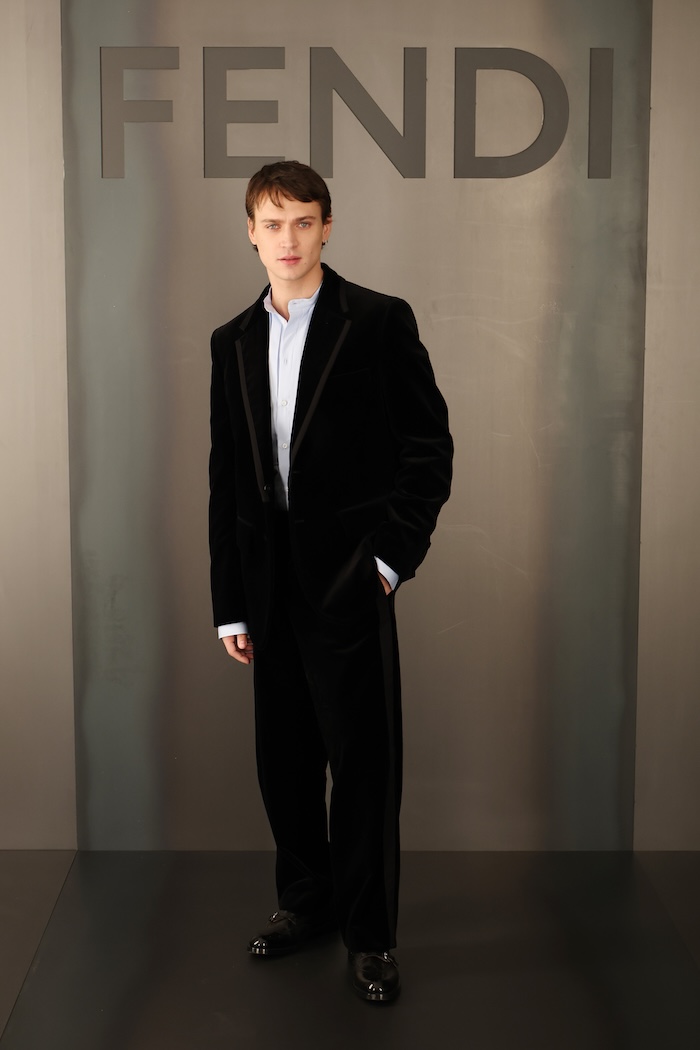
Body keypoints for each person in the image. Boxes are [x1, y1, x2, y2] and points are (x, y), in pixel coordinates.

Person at [209, 161, 452, 1002]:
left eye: (303, 222)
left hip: (350, 577)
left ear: (327, 228)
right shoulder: (232, 340)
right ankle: (304, 904)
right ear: (251, 232)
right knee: (283, 759)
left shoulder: (377, 321)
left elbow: (428, 449)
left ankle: (370, 936)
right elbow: (228, 480)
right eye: (273, 224)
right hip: (265, 582)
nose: (289, 239)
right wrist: (229, 604)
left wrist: (387, 561)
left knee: (362, 763)